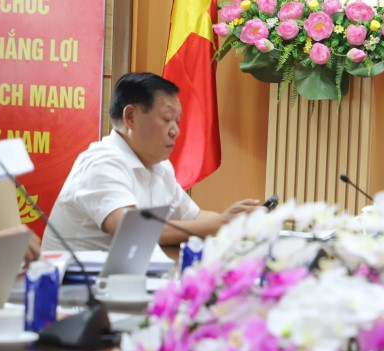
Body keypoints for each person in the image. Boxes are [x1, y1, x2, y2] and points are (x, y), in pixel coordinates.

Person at [42, 72, 260, 252]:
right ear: (131, 117)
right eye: (166, 120)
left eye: (177, 121)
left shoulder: (159, 165)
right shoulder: (102, 162)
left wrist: (237, 223)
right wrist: (222, 224)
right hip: (73, 286)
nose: (176, 131)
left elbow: (194, 217)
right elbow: (132, 230)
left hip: (121, 281)